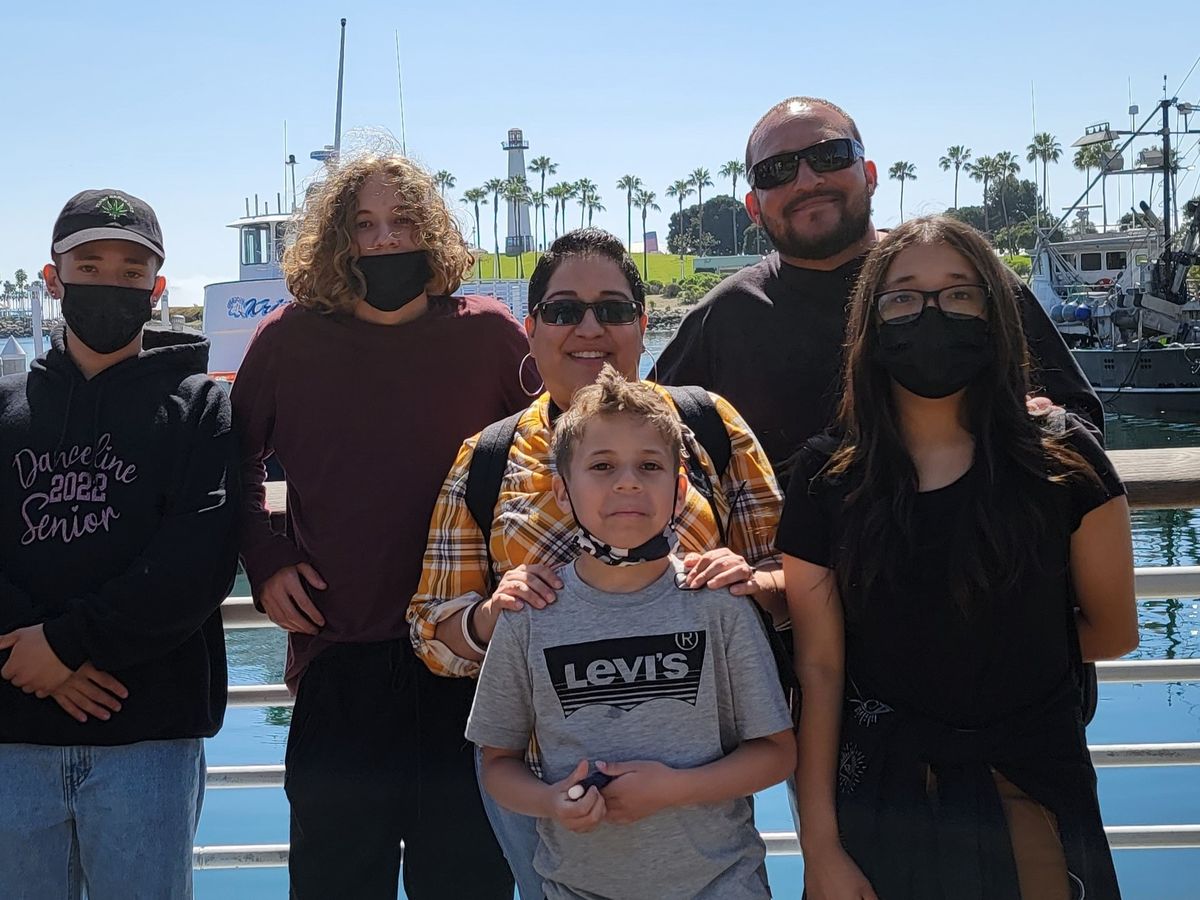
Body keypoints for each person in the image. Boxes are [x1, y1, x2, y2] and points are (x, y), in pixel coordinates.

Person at [407, 228, 786, 898]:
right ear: (531, 329)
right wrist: (494, 614)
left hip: (702, 799)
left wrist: (752, 580)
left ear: (641, 324)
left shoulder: (707, 425)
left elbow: (795, 579)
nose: (589, 328)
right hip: (551, 794)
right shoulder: (488, 457)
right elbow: (430, 630)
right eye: (563, 311)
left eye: (612, 309)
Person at [779, 215, 1136, 900]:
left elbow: (1114, 630)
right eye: (903, 298)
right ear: (870, 325)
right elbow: (819, 669)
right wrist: (820, 847)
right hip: (881, 797)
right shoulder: (827, 478)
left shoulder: (1066, 461)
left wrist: (975, 646)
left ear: (996, 315)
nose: (931, 314)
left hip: (1030, 783)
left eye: (960, 294)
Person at [231, 154, 525, 899]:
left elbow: (553, 452)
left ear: (431, 230)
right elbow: (229, 462)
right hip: (339, 657)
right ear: (337, 239)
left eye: (402, 220)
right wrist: (265, 557)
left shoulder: (490, 335)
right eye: (364, 224)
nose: (386, 238)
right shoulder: (286, 340)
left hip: (470, 658)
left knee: (468, 886)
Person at [467, 365, 796, 900]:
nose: (627, 481)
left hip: (721, 885)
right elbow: (497, 763)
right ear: (562, 491)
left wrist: (675, 789)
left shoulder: (718, 602)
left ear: (679, 489)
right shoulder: (528, 614)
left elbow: (777, 753)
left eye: (649, 465)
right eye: (602, 466)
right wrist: (551, 801)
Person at [657, 96, 1101, 483]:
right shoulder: (723, 317)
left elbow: (1079, 423)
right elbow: (642, 435)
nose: (807, 180)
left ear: (869, 175)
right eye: (777, 170)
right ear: (754, 207)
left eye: (829, 155)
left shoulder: (965, 281)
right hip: (786, 555)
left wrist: (1036, 426)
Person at [0, 188, 240, 899]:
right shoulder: (4, 406)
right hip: (12, 731)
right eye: (90, 267)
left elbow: (198, 562)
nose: (111, 283)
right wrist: (28, 653)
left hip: (149, 740)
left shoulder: (202, 406)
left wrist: (66, 645)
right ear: (54, 279)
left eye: (132, 271)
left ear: (156, 289)